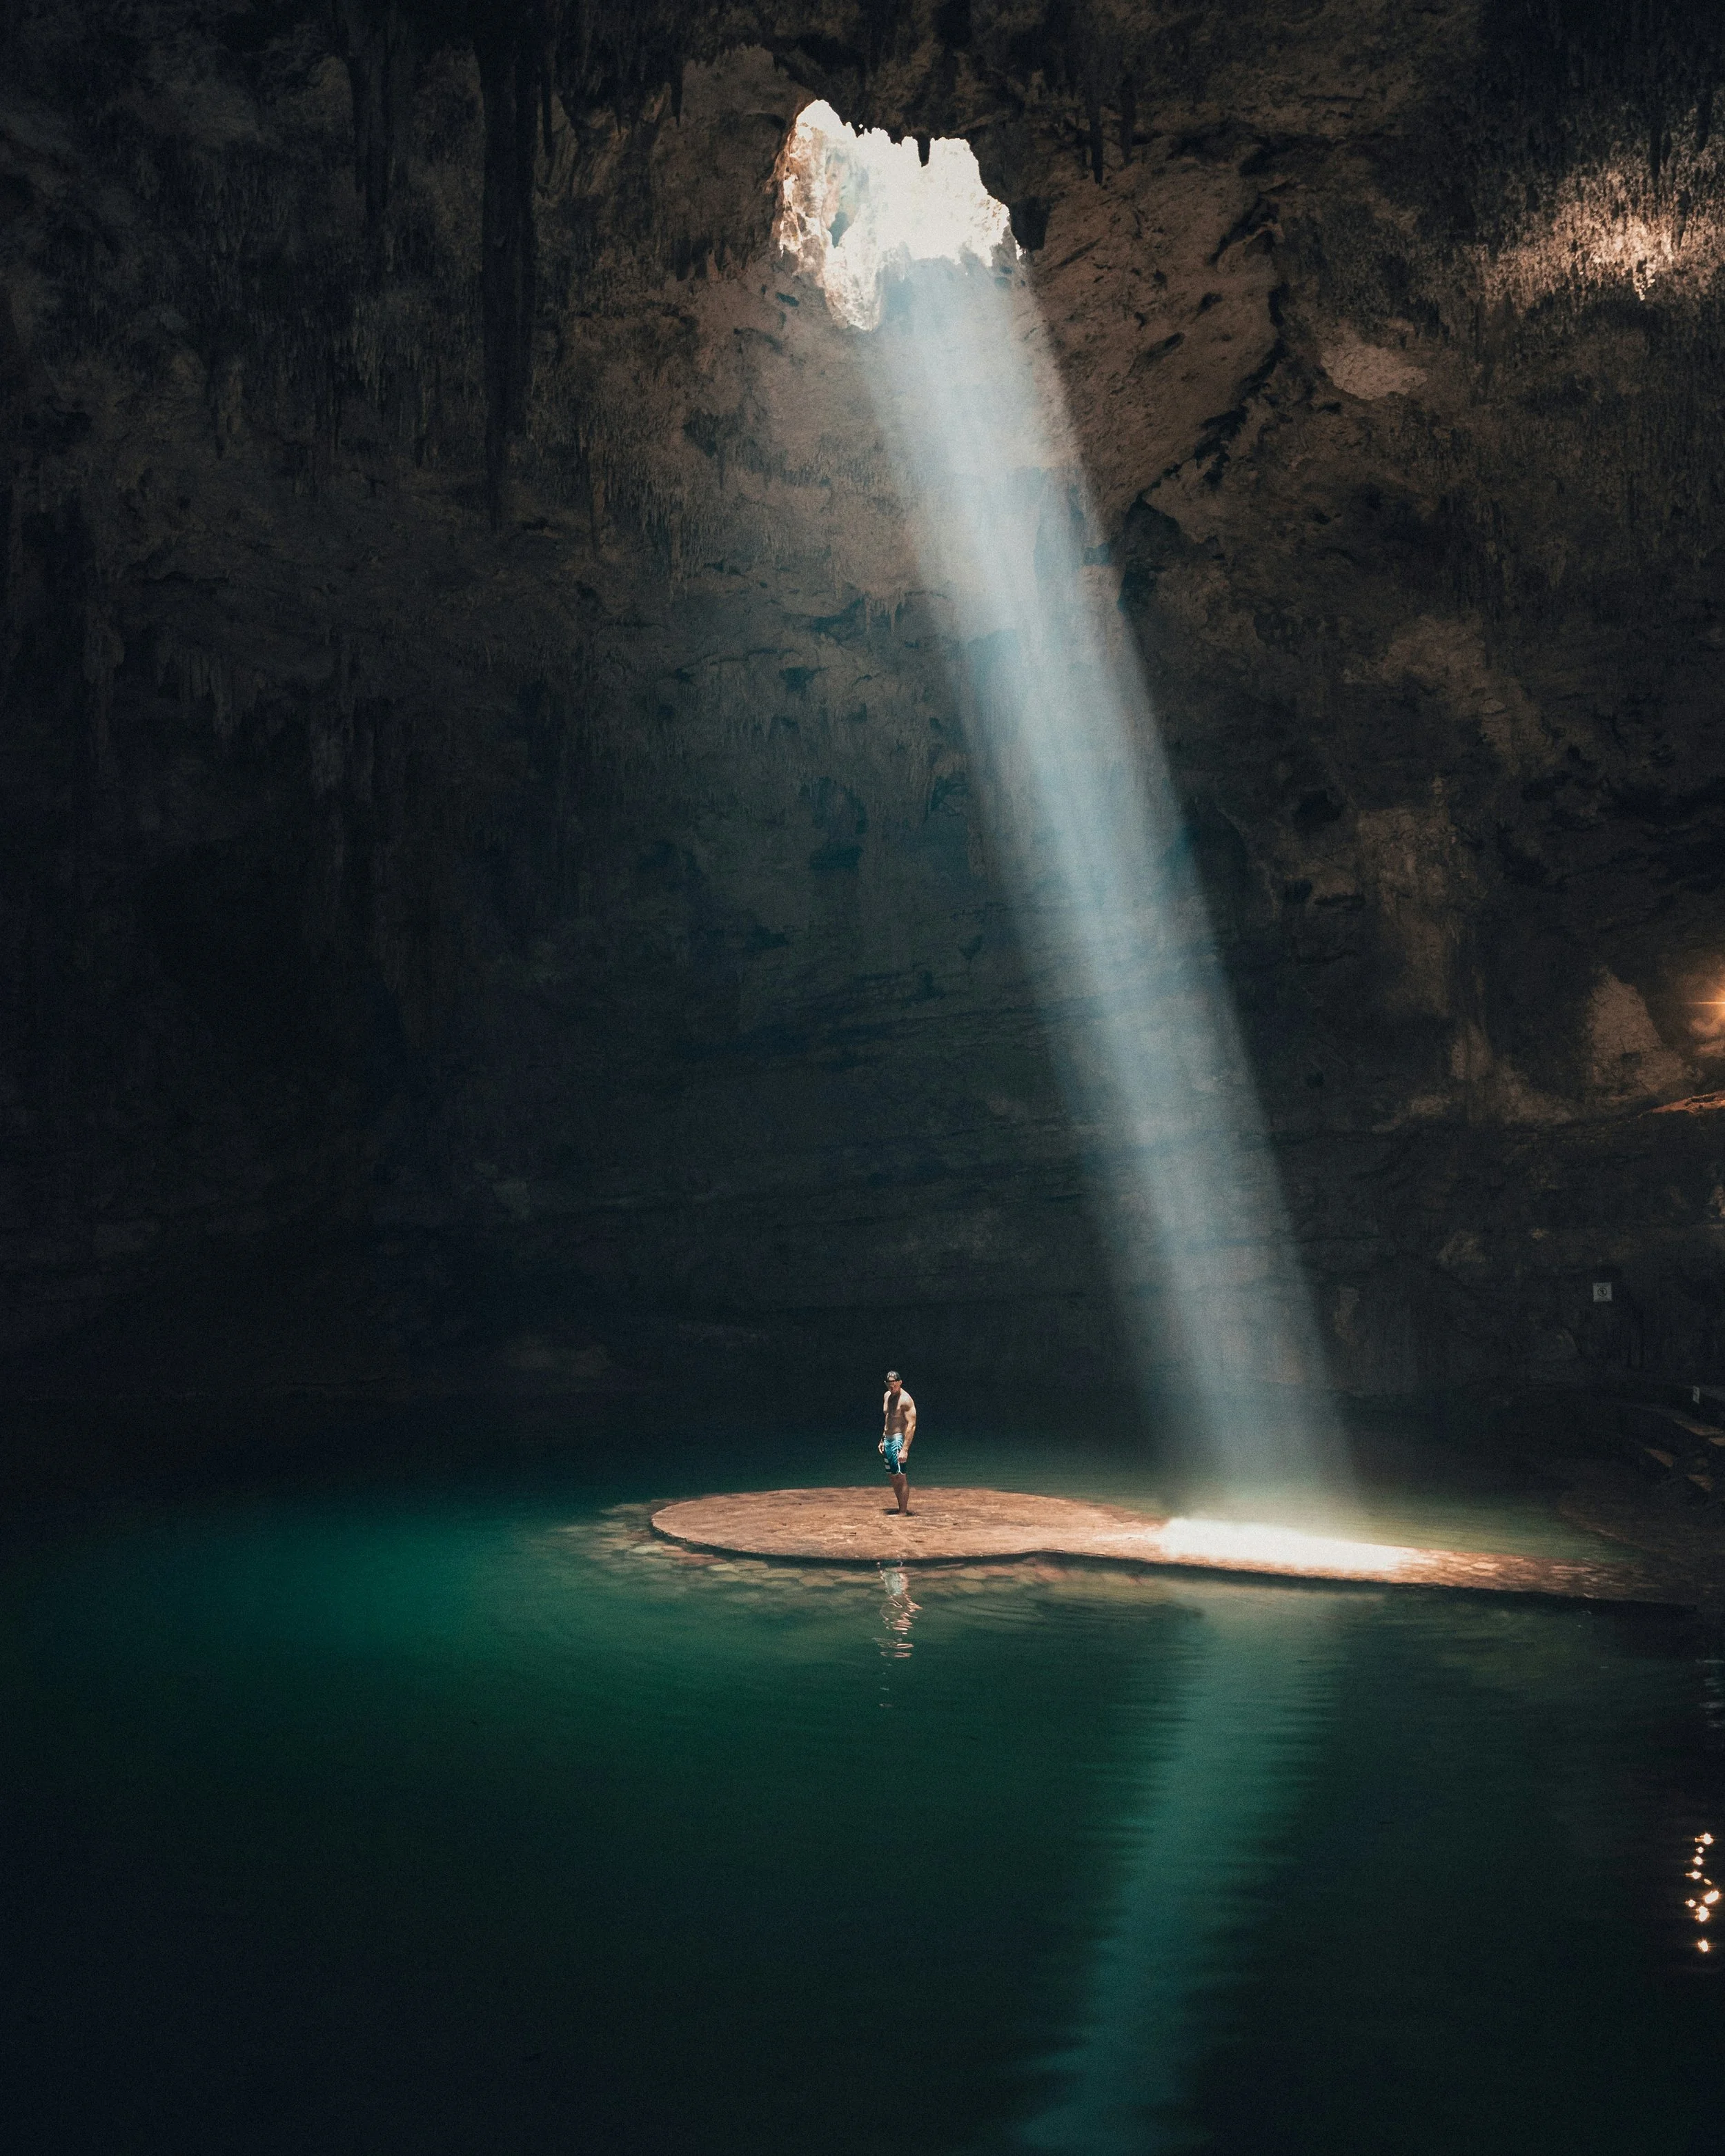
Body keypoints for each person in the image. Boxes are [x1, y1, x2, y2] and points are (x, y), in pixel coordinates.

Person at [880, 1369, 916, 1514]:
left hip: (898, 1439)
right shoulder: (887, 1396)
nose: (892, 1388)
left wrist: (905, 1449)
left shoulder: (906, 1400)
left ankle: (903, 1511)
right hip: (888, 1438)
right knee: (892, 1476)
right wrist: (883, 1438)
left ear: (900, 1383)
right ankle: (900, 1508)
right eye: (889, 1385)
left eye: (895, 1385)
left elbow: (911, 1425)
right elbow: (888, 1418)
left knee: (900, 1476)